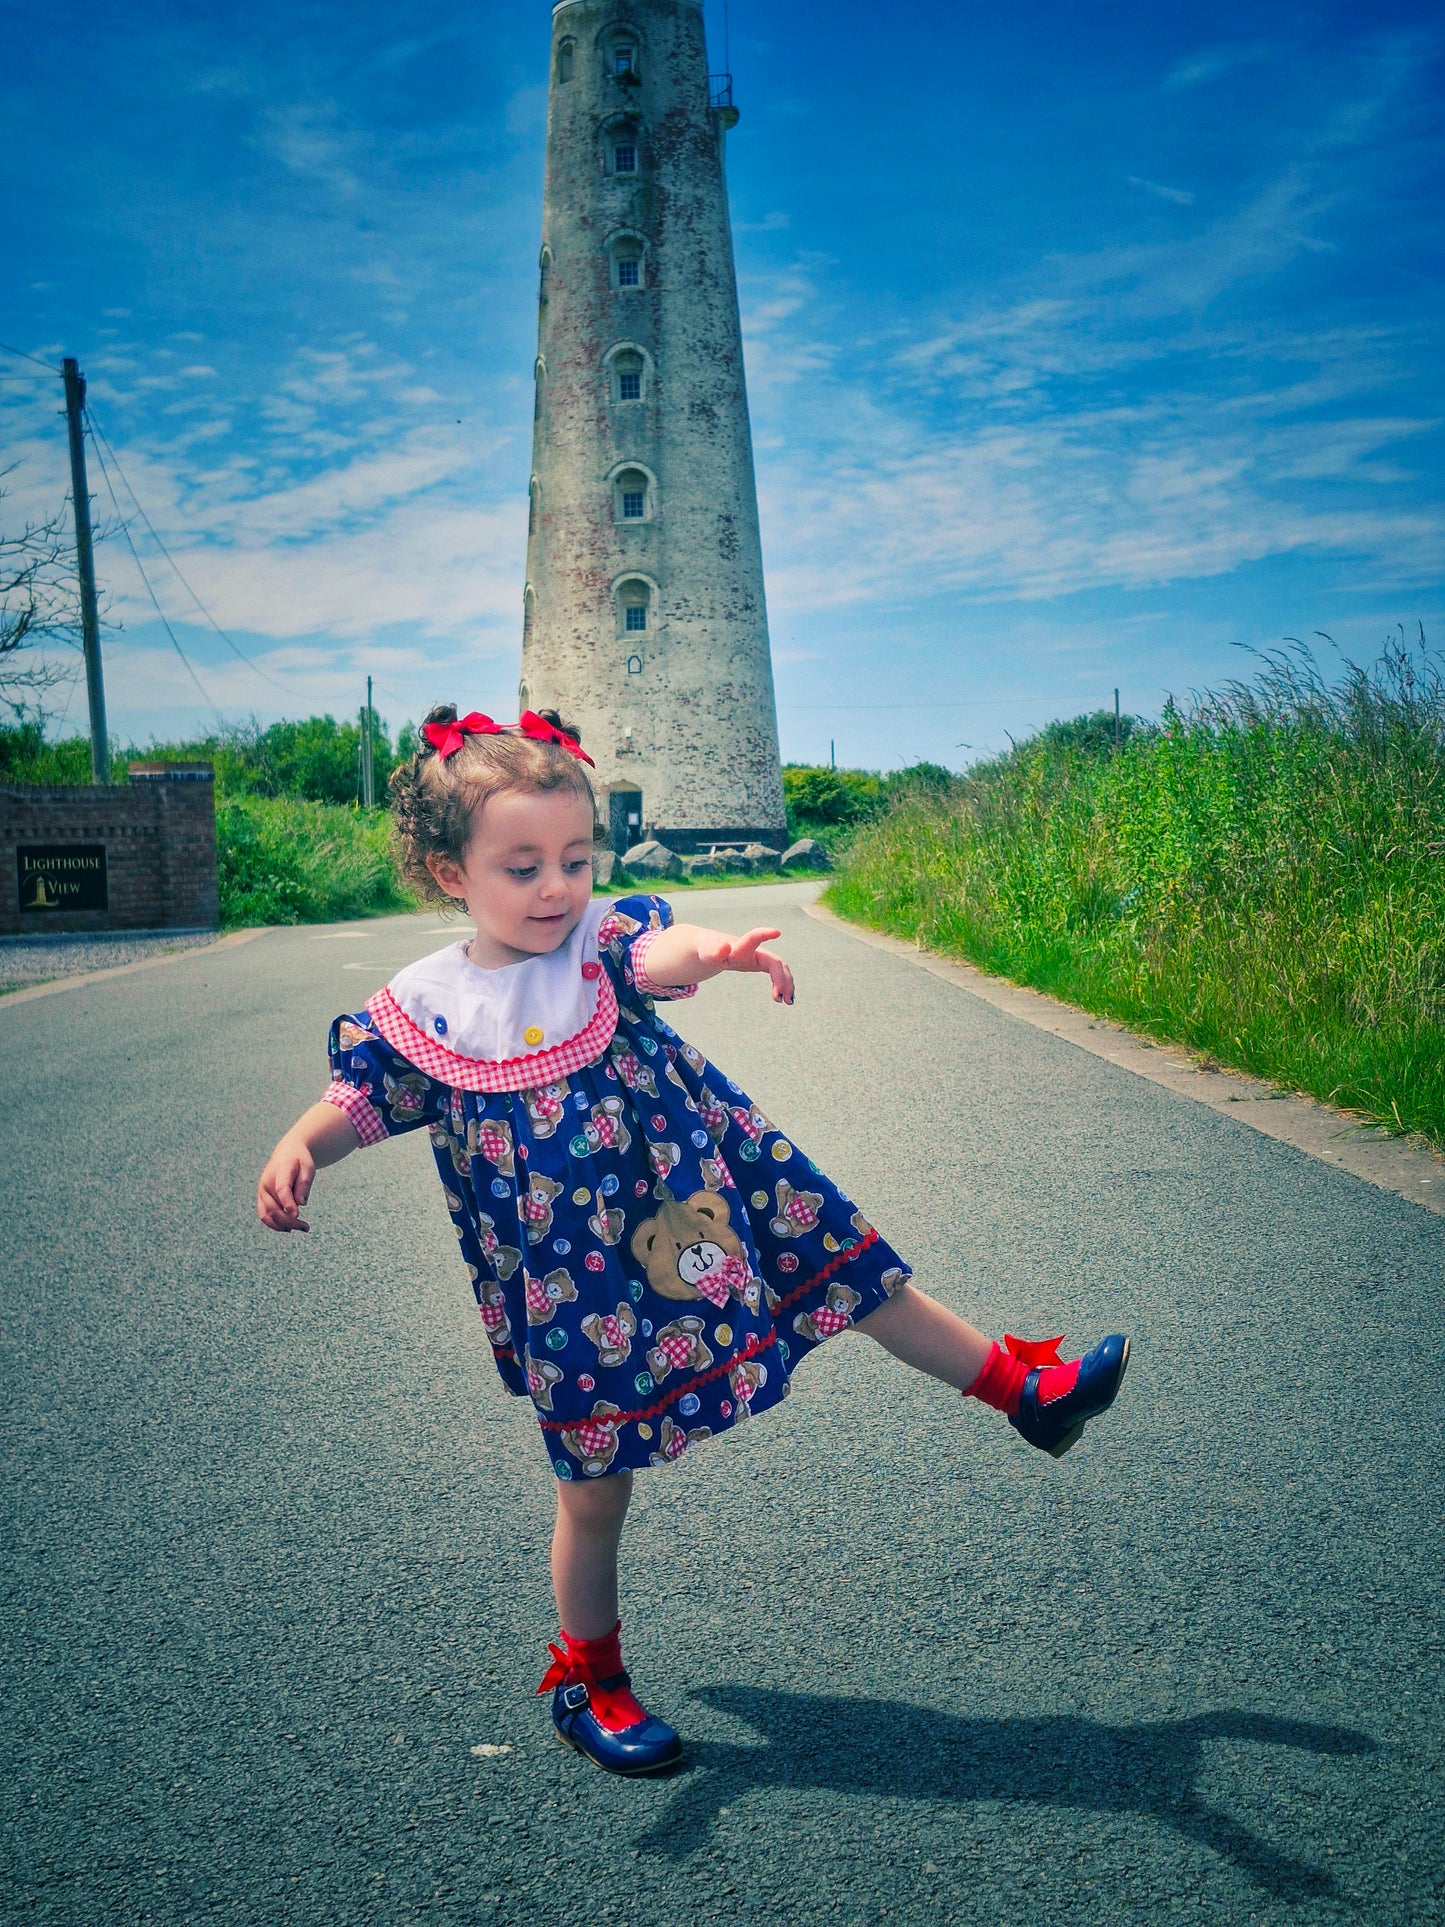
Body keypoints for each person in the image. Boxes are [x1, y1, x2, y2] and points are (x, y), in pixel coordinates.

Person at [257, 705, 1129, 1777]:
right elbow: (364, 1097)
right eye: (521, 865)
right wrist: (303, 1142)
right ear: (449, 874)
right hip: (569, 1271)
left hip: (699, 1189)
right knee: (594, 1483)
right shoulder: (424, 1010)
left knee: (852, 1270)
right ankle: (590, 1672)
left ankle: (1019, 1389)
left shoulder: (597, 947)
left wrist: (711, 950)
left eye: (574, 859)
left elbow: (653, 949)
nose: (556, 887)